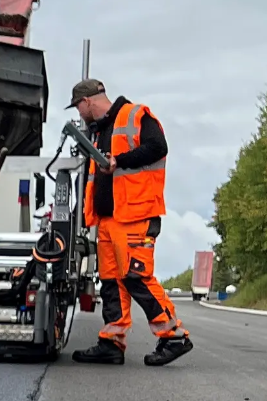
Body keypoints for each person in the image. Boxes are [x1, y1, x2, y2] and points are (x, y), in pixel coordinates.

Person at [67, 78, 193, 366]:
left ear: (87, 101)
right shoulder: (98, 132)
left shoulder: (136, 115)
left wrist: (119, 160)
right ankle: (112, 342)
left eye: (78, 107)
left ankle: (174, 336)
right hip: (109, 219)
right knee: (111, 282)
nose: (78, 113)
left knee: (137, 276)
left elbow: (158, 147)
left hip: (135, 216)